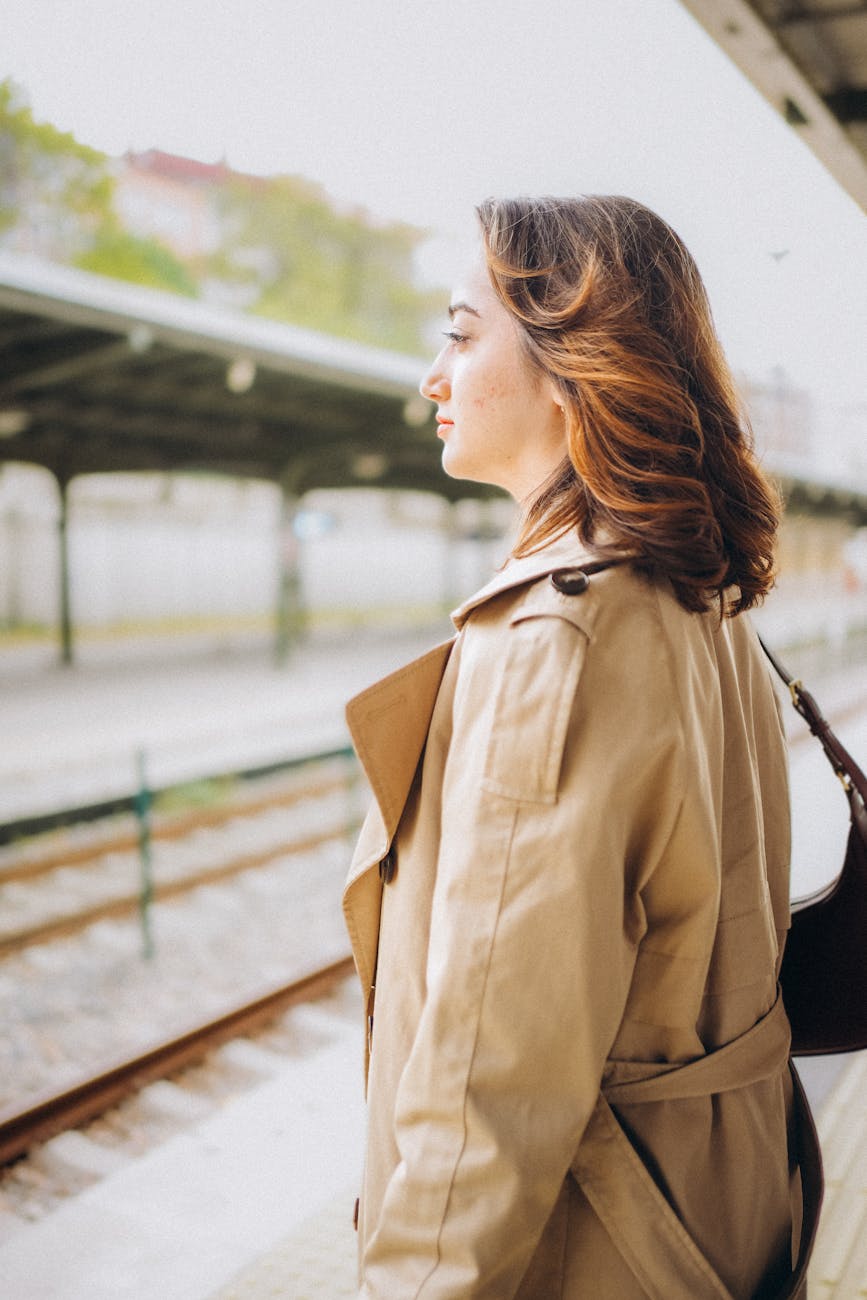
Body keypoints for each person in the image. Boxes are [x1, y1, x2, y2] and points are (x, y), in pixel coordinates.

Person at [343, 195, 812, 1299]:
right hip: (720, 1203)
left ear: (573, 361)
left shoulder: (556, 631)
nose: (433, 376)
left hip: (600, 1243)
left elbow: (494, 1062)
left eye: (461, 333)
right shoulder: (695, 593)